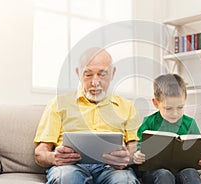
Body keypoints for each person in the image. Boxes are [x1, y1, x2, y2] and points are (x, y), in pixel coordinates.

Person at [34, 47, 141, 184]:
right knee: (65, 178)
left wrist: (128, 157)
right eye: (88, 74)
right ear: (78, 73)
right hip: (70, 167)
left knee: (125, 180)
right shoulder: (58, 104)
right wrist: (54, 157)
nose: (95, 82)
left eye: (102, 74)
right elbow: (40, 153)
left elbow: (135, 146)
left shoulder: (127, 107)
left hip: (112, 169)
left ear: (112, 73)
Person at [133, 73, 201, 184]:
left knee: (191, 173)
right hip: (155, 172)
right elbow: (139, 147)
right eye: (168, 108)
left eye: (180, 107)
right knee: (164, 174)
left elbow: (198, 151)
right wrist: (137, 155)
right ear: (156, 103)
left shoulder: (190, 123)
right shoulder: (149, 122)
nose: (175, 113)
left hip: (183, 170)